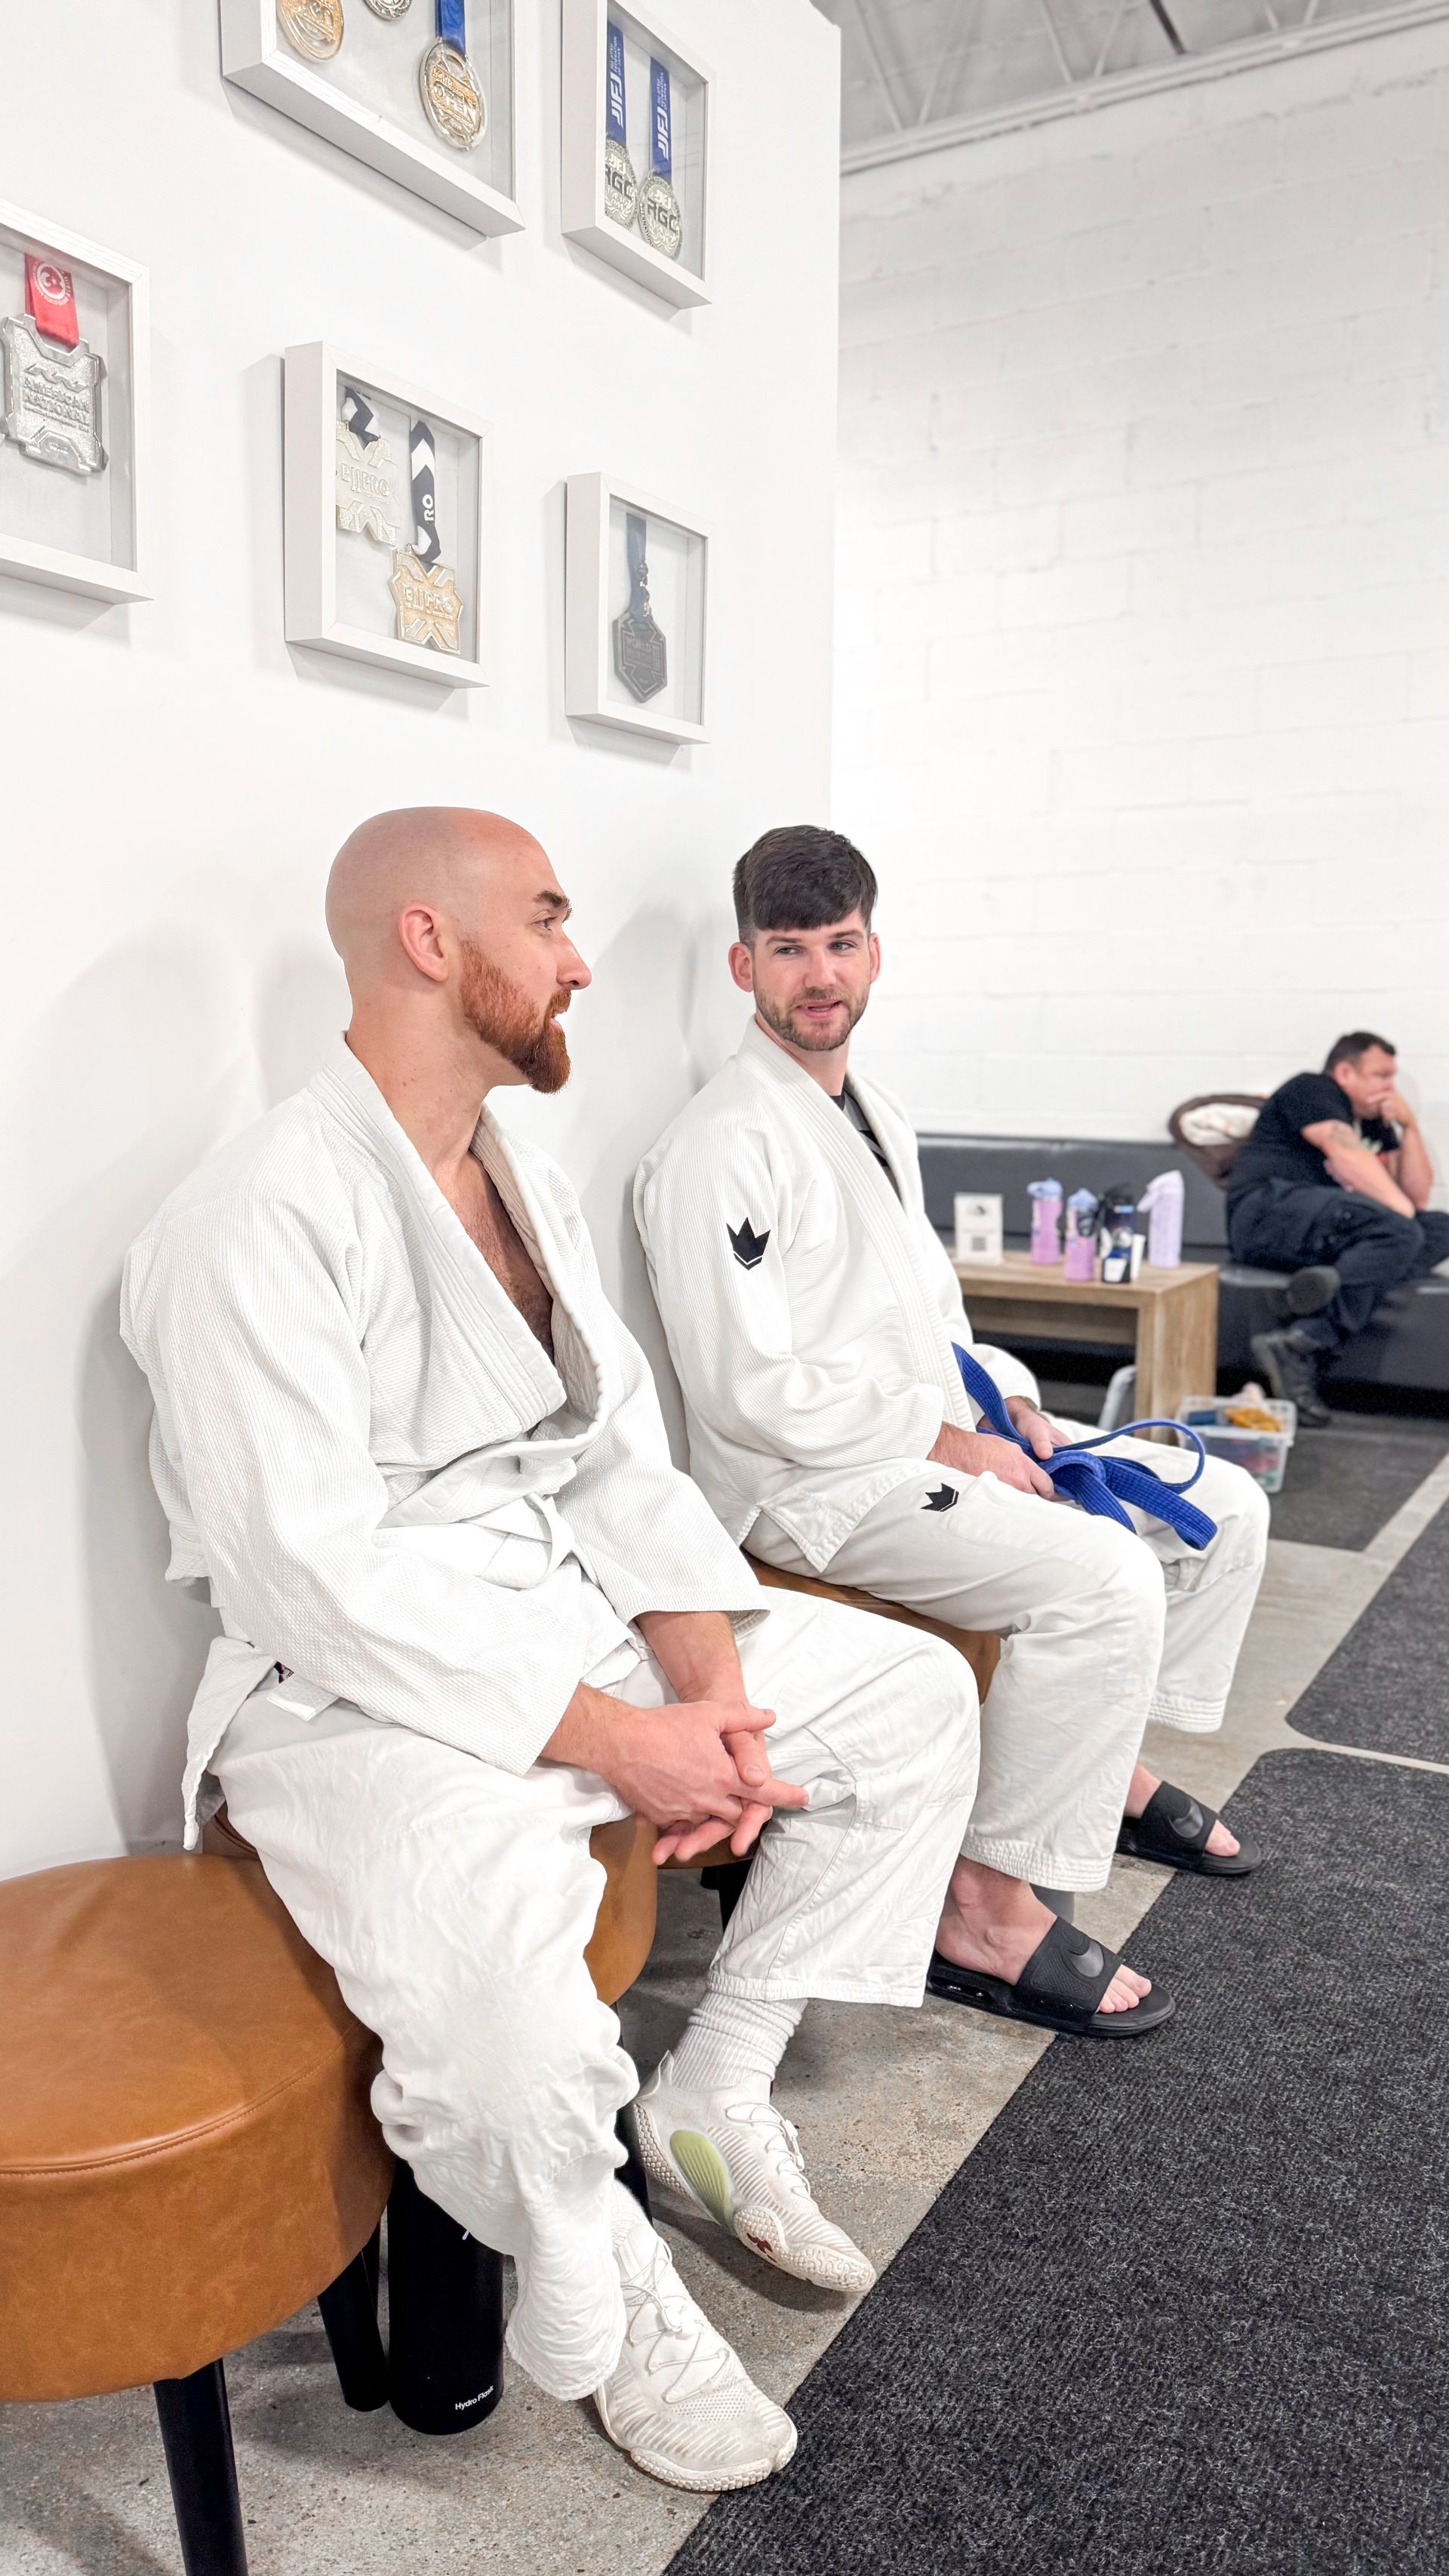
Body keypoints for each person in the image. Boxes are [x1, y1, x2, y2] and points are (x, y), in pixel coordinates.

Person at [120, 809, 982, 2495]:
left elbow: (617, 1455)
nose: (583, 957)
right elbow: (309, 1574)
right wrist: (615, 1735)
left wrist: (712, 1687)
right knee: (505, 2029)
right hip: (349, 1688)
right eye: (551, 915)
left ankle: (715, 2091)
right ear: (433, 940)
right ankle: (614, 2273)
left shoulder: (520, 1173)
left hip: (569, 1597)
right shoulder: (256, 1211)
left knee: (911, 1693)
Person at [635, 825, 1272, 2050]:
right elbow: (742, 1388)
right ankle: (982, 1903)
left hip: (924, 1433)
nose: (819, 974)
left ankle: (1107, 1762)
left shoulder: (874, 1107)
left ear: (875, 951)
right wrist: (941, 1439)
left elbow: (928, 1311)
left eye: (840, 943)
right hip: (810, 1481)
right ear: (741, 966)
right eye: (788, 950)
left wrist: (1006, 1403)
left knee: (1223, 1503)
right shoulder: (718, 1143)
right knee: (1104, 1573)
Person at [1227, 1033, 1449, 1429]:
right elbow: (1345, 1154)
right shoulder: (1313, 1089)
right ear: (1345, 1072)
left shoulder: (1372, 1123)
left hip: (1320, 1227)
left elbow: (1414, 1198)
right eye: (1381, 1075)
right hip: (1268, 1212)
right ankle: (1315, 1327)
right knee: (1402, 1230)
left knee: (1440, 1228)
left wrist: (1409, 1127)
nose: (1389, 1087)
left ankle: (1307, 1334)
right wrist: (1400, 1223)